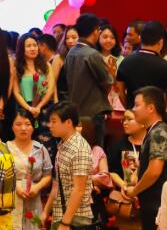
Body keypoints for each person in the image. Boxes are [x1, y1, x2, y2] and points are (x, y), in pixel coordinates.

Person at [41, 101, 94, 230]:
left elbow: (78, 189)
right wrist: (46, 211)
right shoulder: (63, 145)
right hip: (60, 214)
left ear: (68, 122)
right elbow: (57, 184)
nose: (50, 125)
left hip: (75, 218)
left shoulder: (79, 147)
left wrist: (66, 223)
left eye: (54, 121)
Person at [121, 86, 167, 230]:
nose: (133, 109)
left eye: (136, 105)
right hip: (153, 207)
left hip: (158, 208)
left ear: (151, 108)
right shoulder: (153, 131)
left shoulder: (159, 132)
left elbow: (155, 170)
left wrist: (134, 191)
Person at [6, 110, 52, 230]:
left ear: (33, 127)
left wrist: (37, 187)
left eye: (27, 124)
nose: (23, 128)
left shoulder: (41, 149)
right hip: (11, 203)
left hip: (33, 203)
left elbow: (48, 175)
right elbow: (0, 177)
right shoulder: (5, 149)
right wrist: (15, 187)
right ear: (12, 127)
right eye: (18, 124)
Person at [65, 14, 112, 147]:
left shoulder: (71, 52)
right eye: (98, 29)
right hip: (94, 112)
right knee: (95, 152)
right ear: (95, 31)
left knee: (78, 150)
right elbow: (107, 82)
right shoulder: (92, 54)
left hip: (76, 111)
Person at [107, 109, 145, 230]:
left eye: (129, 119)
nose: (124, 122)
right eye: (124, 119)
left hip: (149, 201)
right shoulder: (118, 145)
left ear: (142, 122)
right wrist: (124, 185)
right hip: (127, 202)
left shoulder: (153, 143)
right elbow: (111, 171)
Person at [116, 21, 167, 108]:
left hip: (132, 112)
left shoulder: (126, 61)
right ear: (160, 42)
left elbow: (120, 90)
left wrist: (130, 107)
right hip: (155, 113)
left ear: (140, 38)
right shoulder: (164, 66)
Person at [53, 26, 79, 102]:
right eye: (67, 38)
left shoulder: (85, 56)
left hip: (81, 100)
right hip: (63, 100)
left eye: (74, 37)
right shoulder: (59, 58)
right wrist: (56, 101)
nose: (70, 41)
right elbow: (53, 83)